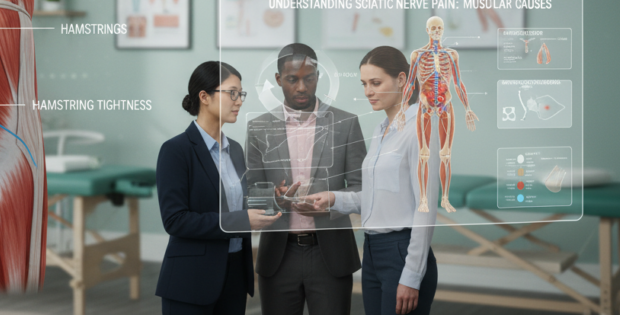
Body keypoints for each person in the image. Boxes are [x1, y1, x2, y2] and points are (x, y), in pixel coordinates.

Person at [308, 46, 439, 315]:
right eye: (365, 84)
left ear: (402, 80)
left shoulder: (421, 129)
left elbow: (425, 209)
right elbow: (378, 196)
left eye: (376, 83)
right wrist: (333, 198)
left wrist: (412, 275)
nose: (368, 91)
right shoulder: (381, 130)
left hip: (402, 252)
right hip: (372, 251)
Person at [246, 43, 366, 315]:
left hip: (331, 256)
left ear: (318, 77)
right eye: (292, 79)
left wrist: (331, 202)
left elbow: (363, 190)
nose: (302, 87)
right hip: (278, 255)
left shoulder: (346, 124)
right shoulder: (257, 128)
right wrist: (275, 199)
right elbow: (251, 193)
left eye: (308, 78)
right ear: (278, 80)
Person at [156, 61, 281, 314]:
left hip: (234, 274)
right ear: (204, 97)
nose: (239, 101)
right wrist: (241, 221)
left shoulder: (234, 148)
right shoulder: (176, 151)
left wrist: (274, 197)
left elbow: (236, 203)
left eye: (241, 94)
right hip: (191, 280)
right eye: (232, 93)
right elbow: (176, 220)